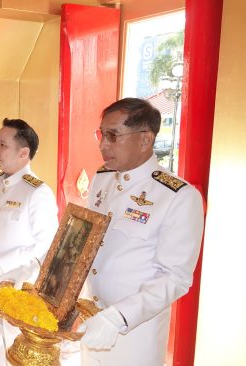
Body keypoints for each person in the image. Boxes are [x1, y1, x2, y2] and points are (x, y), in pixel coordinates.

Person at [78, 98, 203, 366]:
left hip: (133, 333)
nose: (102, 144)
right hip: (93, 319)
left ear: (145, 140)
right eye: (101, 134)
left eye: (113, 135)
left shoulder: (177, 196)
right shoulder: (102, 178)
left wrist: (119, 316)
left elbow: (176, 277)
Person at [0, 119, 58, 366]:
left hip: (16, 283)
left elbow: (44, 243)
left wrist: (0, 264)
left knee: (13, 347)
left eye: (2, 145)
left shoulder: (37, 191)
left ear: (24, 153)